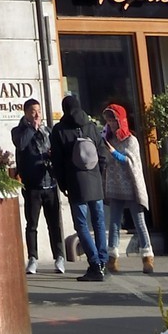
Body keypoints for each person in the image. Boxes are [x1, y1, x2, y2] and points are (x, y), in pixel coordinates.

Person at [50, 93, 109, 281]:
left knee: (81, 224)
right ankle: (103, 261)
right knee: (99, 222)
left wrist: (63, 184)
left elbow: (57, 161)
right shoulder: (91, 126)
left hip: (76, 183)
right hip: (95, 181)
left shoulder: (59, 130)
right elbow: (103, 154)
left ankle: (95, 264)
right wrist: (99, 174)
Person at [10, 99, 65, 274]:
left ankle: (59, 257)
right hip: (32, 186)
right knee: (32, 224)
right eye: (33, 111)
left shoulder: (47, 131)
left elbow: (57, 151)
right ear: (26, 113)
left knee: (54, 224)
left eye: (39, 111)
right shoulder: (18, 131)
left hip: (50, 183)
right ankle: (33, 258)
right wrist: (32, 129)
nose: (37, 115)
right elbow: (21, 144)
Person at [101, 104, 154, 273]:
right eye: (109, 121)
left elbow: (131, 162)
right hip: (115, 186)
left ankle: (147, 257)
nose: (111, 124)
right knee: (114, 223)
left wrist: (114, 152)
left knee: (139, 222)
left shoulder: (131, 140)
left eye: (114, 120)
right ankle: (112, 258)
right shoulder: (109, 139)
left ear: (121, 121)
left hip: (131, 186)